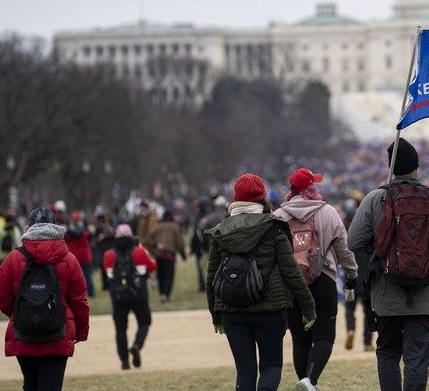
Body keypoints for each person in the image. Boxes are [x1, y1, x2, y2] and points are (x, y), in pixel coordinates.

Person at [347, 138, 429, 391]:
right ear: (416, 167)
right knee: (418, 360)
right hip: (424, 296)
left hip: (387, 296)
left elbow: (354, 241)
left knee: (388, 353)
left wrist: (378, 264)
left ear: (391, 166)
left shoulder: (374, 199)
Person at [206, 173, 316, 391]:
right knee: (271, 366)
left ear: (235, 199)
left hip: (232, 310)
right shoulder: (274, 227)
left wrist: (216, 315)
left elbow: (212, 277)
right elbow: (291, 273)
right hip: (270, 309)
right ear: (261, 197)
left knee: (244, 371)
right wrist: (308, 307)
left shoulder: (221, 230)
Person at [274, 167, 359, 391]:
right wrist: (351, 273)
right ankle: (310, 380)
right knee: (324, 336)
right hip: (324, 279)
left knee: (300, 339)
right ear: (311, 188)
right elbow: (343, 250)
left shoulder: (279, 216)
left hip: (292, 284)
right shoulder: (328, 212)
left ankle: (306, 382)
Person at [0, 207, 89, 391]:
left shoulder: (13, 258)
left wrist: (20, 313)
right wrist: (81, 331)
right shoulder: (69, 259)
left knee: (30, 384)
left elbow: (2, 296)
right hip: (58, 332)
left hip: (24, 332)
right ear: (55, 226)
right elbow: (79, 300)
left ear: (29, 226)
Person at [103, 224, 157, 369]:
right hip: (139, 294)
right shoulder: (139, 251)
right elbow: (152, 267)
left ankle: (124, 361)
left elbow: (108, 274)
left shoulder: (109, 254)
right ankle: (137, 345)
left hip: (118, 296)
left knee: (120, 329)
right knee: (144, 322)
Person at [145, 209, 186, 303]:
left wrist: (155, 246)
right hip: (169, 255)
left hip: (159, 255)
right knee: (169, 276)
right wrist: (183, 255)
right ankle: (166, 294)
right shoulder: (175, 227)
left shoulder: (157, 226)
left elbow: (147, 239)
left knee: (161, 275)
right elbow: (180, 243)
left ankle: (161, 293)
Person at [345, 247, 375, 352]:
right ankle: (367, 343)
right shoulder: (370, 246)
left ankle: (350, 330)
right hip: (366, 283)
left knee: (349, 309)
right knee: (367, 314)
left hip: (351, 282)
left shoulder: (351, 245)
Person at [65, 211, 95, 298]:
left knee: (76, 277)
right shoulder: (84, 230)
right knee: (87, 275)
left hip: (74, 256)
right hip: (84, 256)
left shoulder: (68, 231)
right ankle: (91, 293)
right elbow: (89, 237)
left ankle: (78, 293)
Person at [0, 209, 23, 276]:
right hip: (11, 253)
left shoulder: (0, 228)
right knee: (10, 272)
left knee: (1, 272)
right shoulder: (15, 229)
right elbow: (18, 242)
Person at [92, 208, 115, 291]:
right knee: (103, 268)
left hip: (109, 248)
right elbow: (94, 238)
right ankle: (105, 285)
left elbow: (113, 234)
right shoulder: (98, 227)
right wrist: (97, 239)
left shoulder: (109, 225)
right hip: (101, 250)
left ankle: (111, 284)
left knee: (111, 267)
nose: (101, 219)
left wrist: (105, 236)